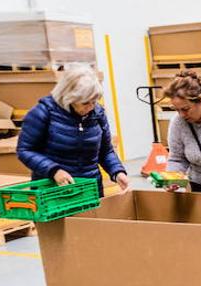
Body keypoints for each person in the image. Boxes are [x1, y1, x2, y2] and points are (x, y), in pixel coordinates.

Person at [17, 64, 129, 194]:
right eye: (85, 102)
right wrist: (54, 171)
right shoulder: (43, 112)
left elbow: (106, 151)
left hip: (90, 188)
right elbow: (25, 150)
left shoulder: (97, 114)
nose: (91, 107)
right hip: (53, 190)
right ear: (69, 97)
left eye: (94, 101)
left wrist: (117, 172)